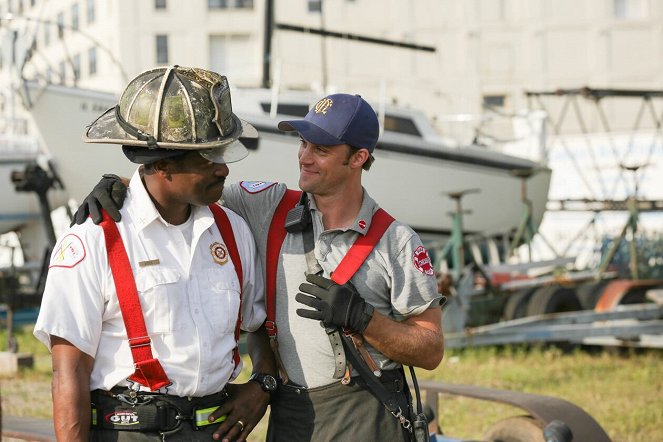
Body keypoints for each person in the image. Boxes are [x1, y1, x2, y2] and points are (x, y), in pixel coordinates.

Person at [75, 93, 445, 441]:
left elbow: (430, 350)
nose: (304, 156)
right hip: (291, 414)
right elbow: (182, 185)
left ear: (358, 158)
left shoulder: (396, 242)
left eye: (321, 149)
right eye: (302, 143)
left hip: (367, 415)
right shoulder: (268, 205)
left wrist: (365, 319)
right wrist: (119, 184)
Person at [34, 66, 276, 441]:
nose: (224, 168)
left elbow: (259, 326)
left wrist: (263, 383)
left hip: (213, 431)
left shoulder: (232, 231)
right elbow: (69, 371)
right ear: (163, 164)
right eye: (207, 159)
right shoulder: (94, 238)